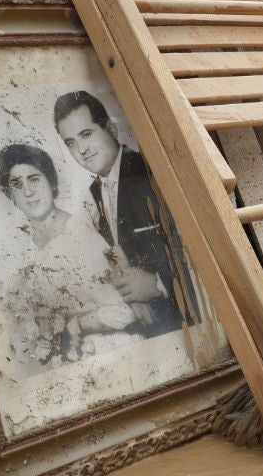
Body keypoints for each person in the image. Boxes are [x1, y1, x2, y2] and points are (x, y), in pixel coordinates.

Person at [52, 90, 192, 334]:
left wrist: (157, 284)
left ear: (112, 130)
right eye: (71, 143)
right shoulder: (95, 191)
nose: (81, 150)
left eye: (86, 134)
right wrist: (134, 298)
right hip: (154, 324)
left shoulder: (150, 173)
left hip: (190, 316)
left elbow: (198, 248)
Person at [0, 143, 141, 368]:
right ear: (10, 195)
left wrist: (72, 325)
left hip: (116, 356)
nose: (28, 192)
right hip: (70, 367)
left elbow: (125, 312)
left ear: (51, 183)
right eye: (16, 184)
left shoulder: (82, 235)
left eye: (34, 179)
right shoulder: (27, 254)